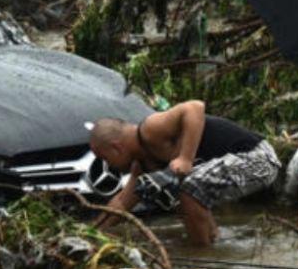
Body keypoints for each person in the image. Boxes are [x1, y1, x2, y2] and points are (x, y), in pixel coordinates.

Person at [89, 100, 280, 246]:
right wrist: (91, 233)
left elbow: (195, 107)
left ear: (116, 148)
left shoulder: (151, 129)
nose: (109, 165)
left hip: (260, 160)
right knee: (186, 195)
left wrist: (185, 158)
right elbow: (122, 202)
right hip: (235, 168)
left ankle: (203, 258)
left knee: (189, 189)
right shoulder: (142, 164)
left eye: (106, 159)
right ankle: (212, 245)